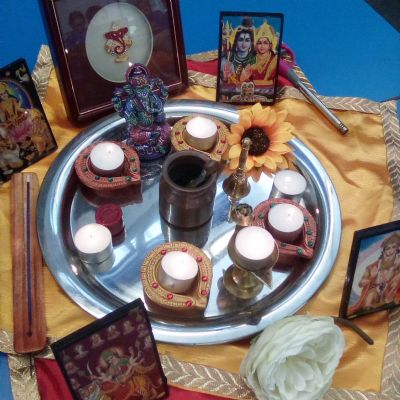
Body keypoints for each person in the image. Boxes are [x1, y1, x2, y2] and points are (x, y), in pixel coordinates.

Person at [348, 232, 400, 314]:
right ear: (384, 251)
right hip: (373, 297)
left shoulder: (398, 266)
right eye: (388, 248)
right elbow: (360, 284)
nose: (391, 251)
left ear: (397, 249)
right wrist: (371, 277)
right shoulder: (373, 267)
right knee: (370, 295)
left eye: (394, 247)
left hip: (390, 297)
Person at [222, 17, 256, 85]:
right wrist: (225, 78)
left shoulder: (254, 59)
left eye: (247, 40)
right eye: (240, 40)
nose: (243, 44)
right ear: (236, 42)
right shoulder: (229, 57)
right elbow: (223, 84)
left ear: (251, 43)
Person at [250, 21, 278, 86]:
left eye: (265, 43)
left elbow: (275, 82)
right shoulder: (251, 59)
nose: (262, 46)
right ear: (256, 45)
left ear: (270, 45)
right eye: (259, 43)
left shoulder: (275, 60)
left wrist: (255, 83)